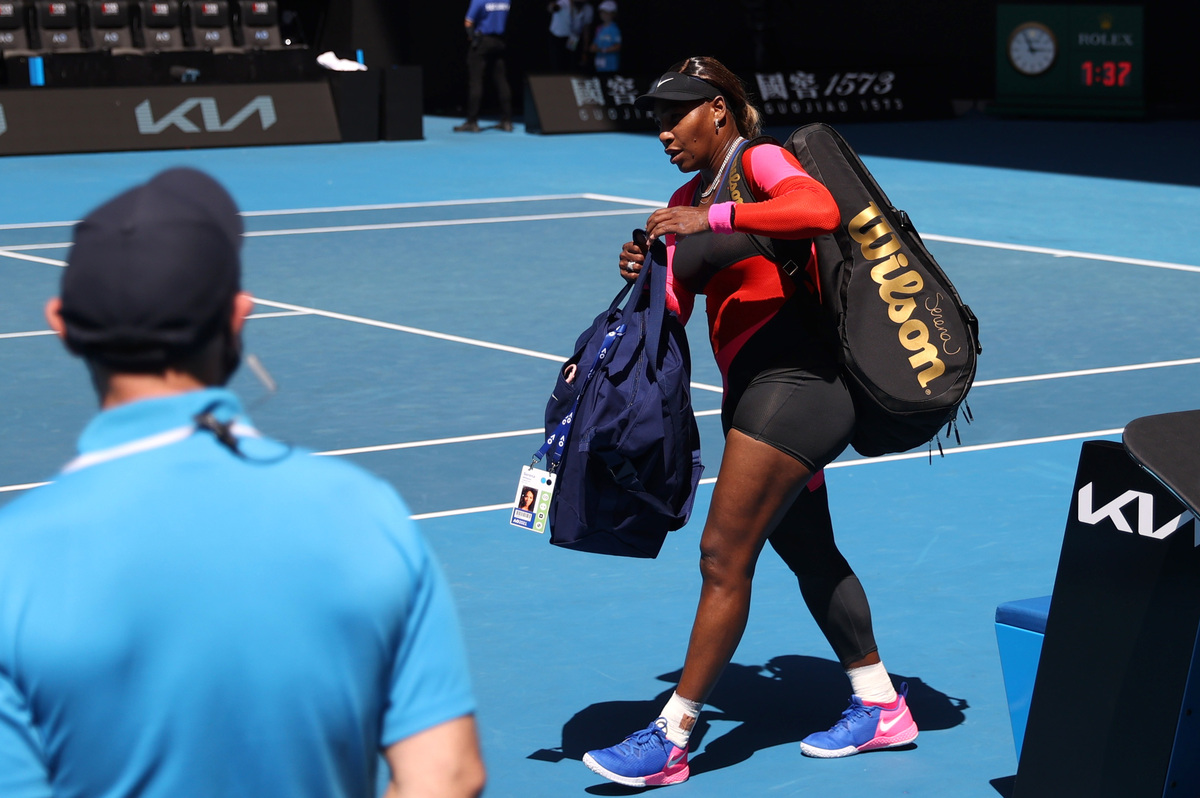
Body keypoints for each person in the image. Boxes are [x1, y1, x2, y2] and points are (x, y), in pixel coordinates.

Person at [0, 168, 487, 798]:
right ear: (239, 315)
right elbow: (447, 776)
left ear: (60, 323)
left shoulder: (14, 559)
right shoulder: (364, 513)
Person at [581, 57, 918, 788]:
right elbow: (675, 308)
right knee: (811, 552)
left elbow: (817, 210)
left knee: (721, 555)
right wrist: (647, 270)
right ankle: (882, 706)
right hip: (751, 395)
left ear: (719, 111)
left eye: (677, 113)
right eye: (657, 117)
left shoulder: (757, 163)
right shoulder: (682, 198)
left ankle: (672, 737)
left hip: (801, 388)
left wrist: (712, 218)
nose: (664, 130)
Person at [455, 0, 513, 132]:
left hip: (483, 40)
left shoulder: (479, 0)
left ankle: (472, 121)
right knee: (501, 80)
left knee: (475, 81)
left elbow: (468, 22)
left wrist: (472, 37)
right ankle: (507, 121)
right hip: (500, 41)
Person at [590, 0, 620, 74]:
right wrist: (593, 47)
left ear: (613, 14)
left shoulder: (614, 29)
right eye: (602, 12)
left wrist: (602, 50)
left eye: (607, 13)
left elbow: (617, 46)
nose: (604, 15)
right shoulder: (599, 28)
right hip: (599, 65)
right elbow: (595, 43)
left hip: (611, 65)